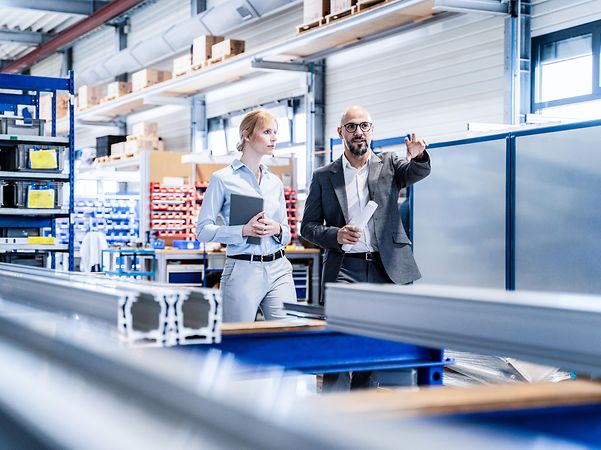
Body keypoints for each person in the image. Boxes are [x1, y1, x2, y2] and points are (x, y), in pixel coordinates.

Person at [300, 105, 431, 390]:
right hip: (346, 267)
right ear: (340, 133)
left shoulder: (390, 165)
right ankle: (333, 409)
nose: (358, 132)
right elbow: (307, 226)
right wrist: (336, 234)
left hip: (386, 268)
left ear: (372, 130)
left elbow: (417, 171)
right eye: (351, 127)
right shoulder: (324, 176)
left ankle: (363, 407)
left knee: (373, 345)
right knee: (340, 341)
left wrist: (418, 155)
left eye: (364, 126)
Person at [196, 109, 296, 322]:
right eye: (267, 131)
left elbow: (287, 233)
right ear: (247, 135)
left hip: (279, 268)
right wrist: (243, 230)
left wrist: (277, 229)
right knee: (237, 340)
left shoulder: (274, 182)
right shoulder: (222, 179)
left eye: (275, 132)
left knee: (289, 337)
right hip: (243, 270)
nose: (274, 137)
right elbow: (202, 231)